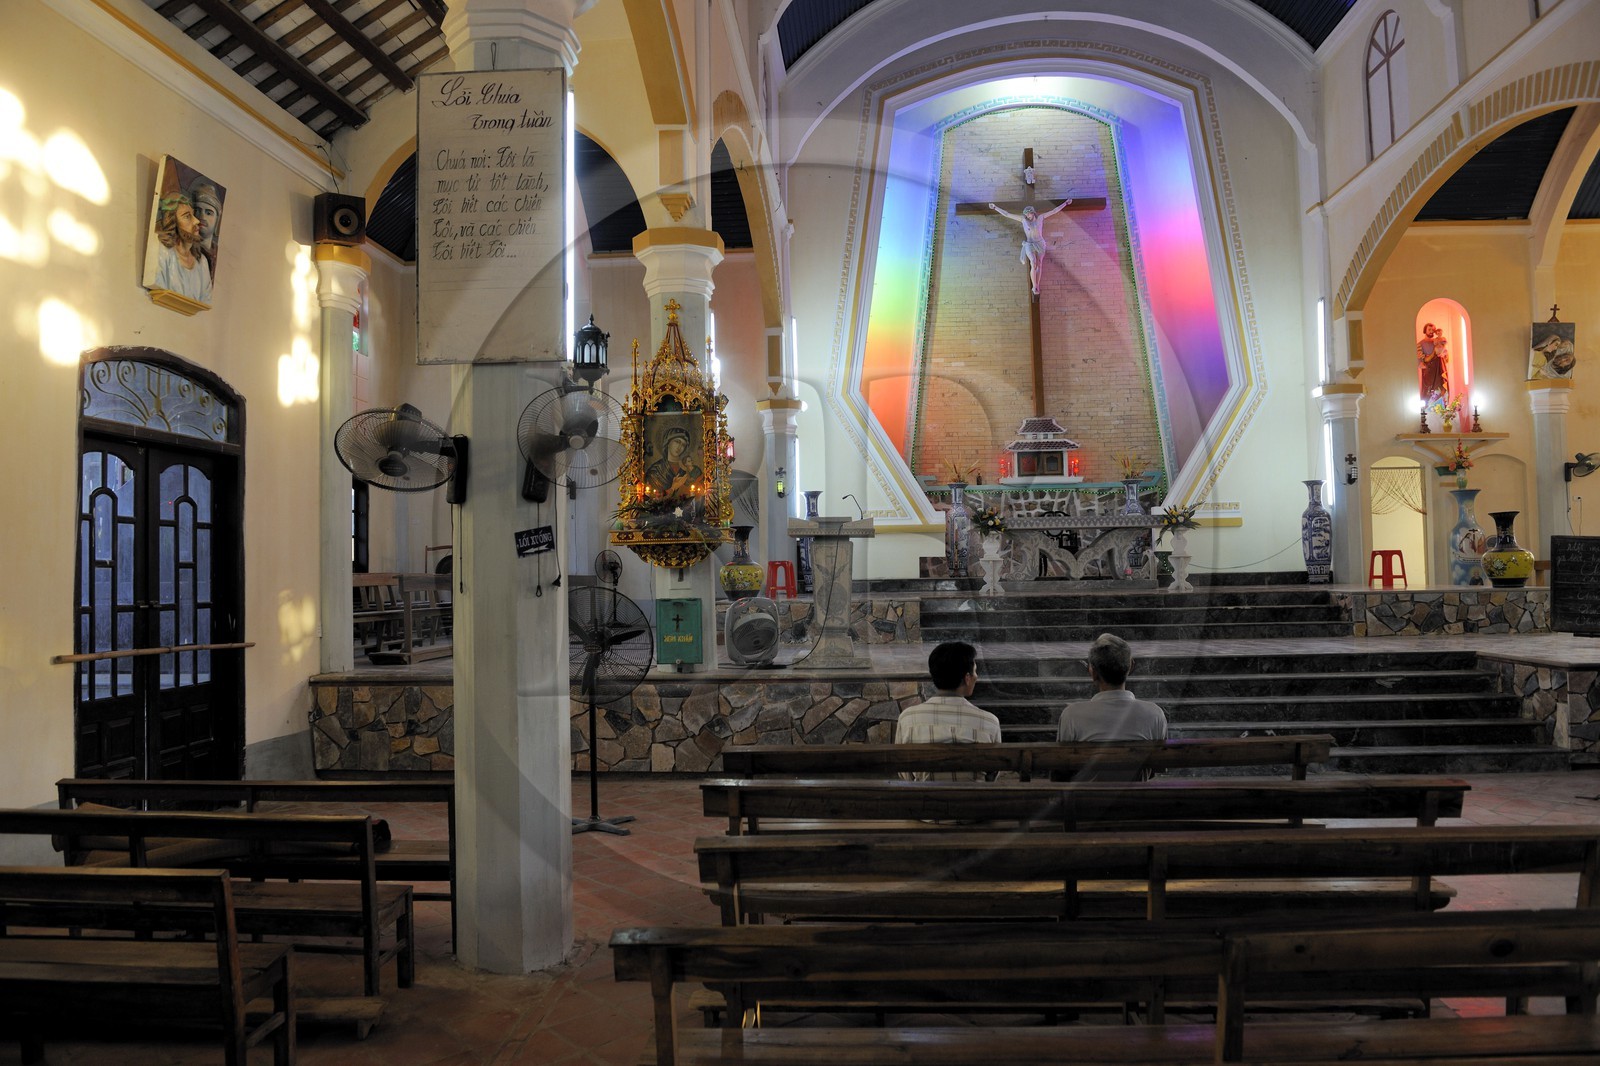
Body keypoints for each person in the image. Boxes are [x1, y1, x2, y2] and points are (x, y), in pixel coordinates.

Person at [1056, 633, 1167, 781]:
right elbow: (1158, 767)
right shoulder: (1155, 714)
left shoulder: (1071, 715)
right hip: (1138, 802)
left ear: (1093, 673)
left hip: (1087, 802)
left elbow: (1062, 769)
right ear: (1130, 667)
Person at [895, 640, 1002, 781]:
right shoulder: (989, 722)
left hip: (924, 799)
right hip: (974, 800)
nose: (977, 676)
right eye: (975, 671)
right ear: (967, 678)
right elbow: (993, 772)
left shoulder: (908, 718)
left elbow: (904, 772)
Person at [989, 197, 1071, 295]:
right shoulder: (1023, 220)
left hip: (1040, 243)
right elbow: (1007, 214)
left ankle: (1037, 285)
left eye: (1029, 213)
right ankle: (1034, 286)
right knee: (1033, 262)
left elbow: (1054, 211)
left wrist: (1065, 203)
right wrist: (995, 207)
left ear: (1033, 212)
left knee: (1039, 263)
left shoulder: (1040, 218)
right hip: (1029, 244)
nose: (1027, 216)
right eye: (1026, 214)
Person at [151, 193, 212, 303]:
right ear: (173, 223)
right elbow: (160, 288)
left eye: (193, 215)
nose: (197, 221)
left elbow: (205, 301)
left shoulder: (202, 262)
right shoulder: (164, 253)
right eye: (187, 216)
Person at [644, 427, 703, 499]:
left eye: (683, 445)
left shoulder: (691, 470)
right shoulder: (655, 471)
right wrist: (673, 488)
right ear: (668, 442)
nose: (679, 447)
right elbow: (653, 500)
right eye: (677, 442)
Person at [187, 180, 222, 281]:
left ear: (217, 220)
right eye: (197, 210)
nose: (202, 216)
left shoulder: (215, 253)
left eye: (209, 213)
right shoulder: (186, 249)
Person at [1417, 323, 1449, 402]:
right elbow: (1422, 360)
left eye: (1433, 330)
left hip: (1439, 368)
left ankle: (1442, 406)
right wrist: (1433, 353)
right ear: (1425, 330)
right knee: (1429, 390)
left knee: (1441, 387)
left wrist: (1444, 354)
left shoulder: (1437, 341)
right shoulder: (1420, 344)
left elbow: (1446, 358)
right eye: (1429, 330)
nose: (1431, 331)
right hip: (1429, 371)